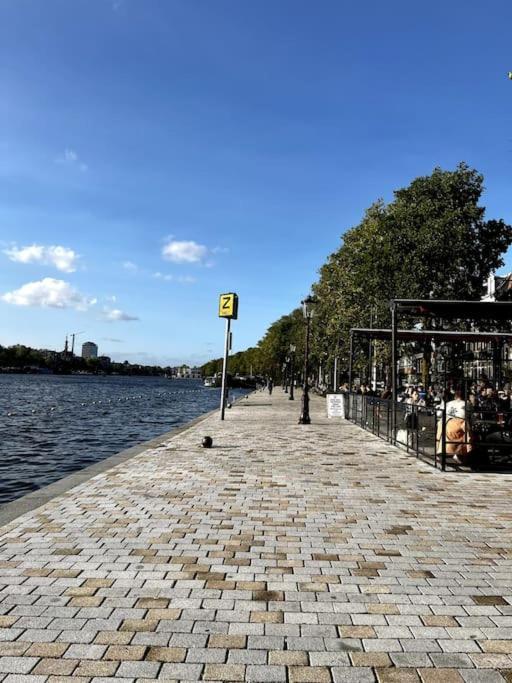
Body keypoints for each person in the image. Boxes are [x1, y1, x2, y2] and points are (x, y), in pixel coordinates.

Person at [436, 388, 472, 464]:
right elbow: (470, 416)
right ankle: (461, 453)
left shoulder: (448, 403)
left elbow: (438, 414)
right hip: (457, 424)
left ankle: (441, 452)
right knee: (467, 432)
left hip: (443, 423)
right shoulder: (467, 403)